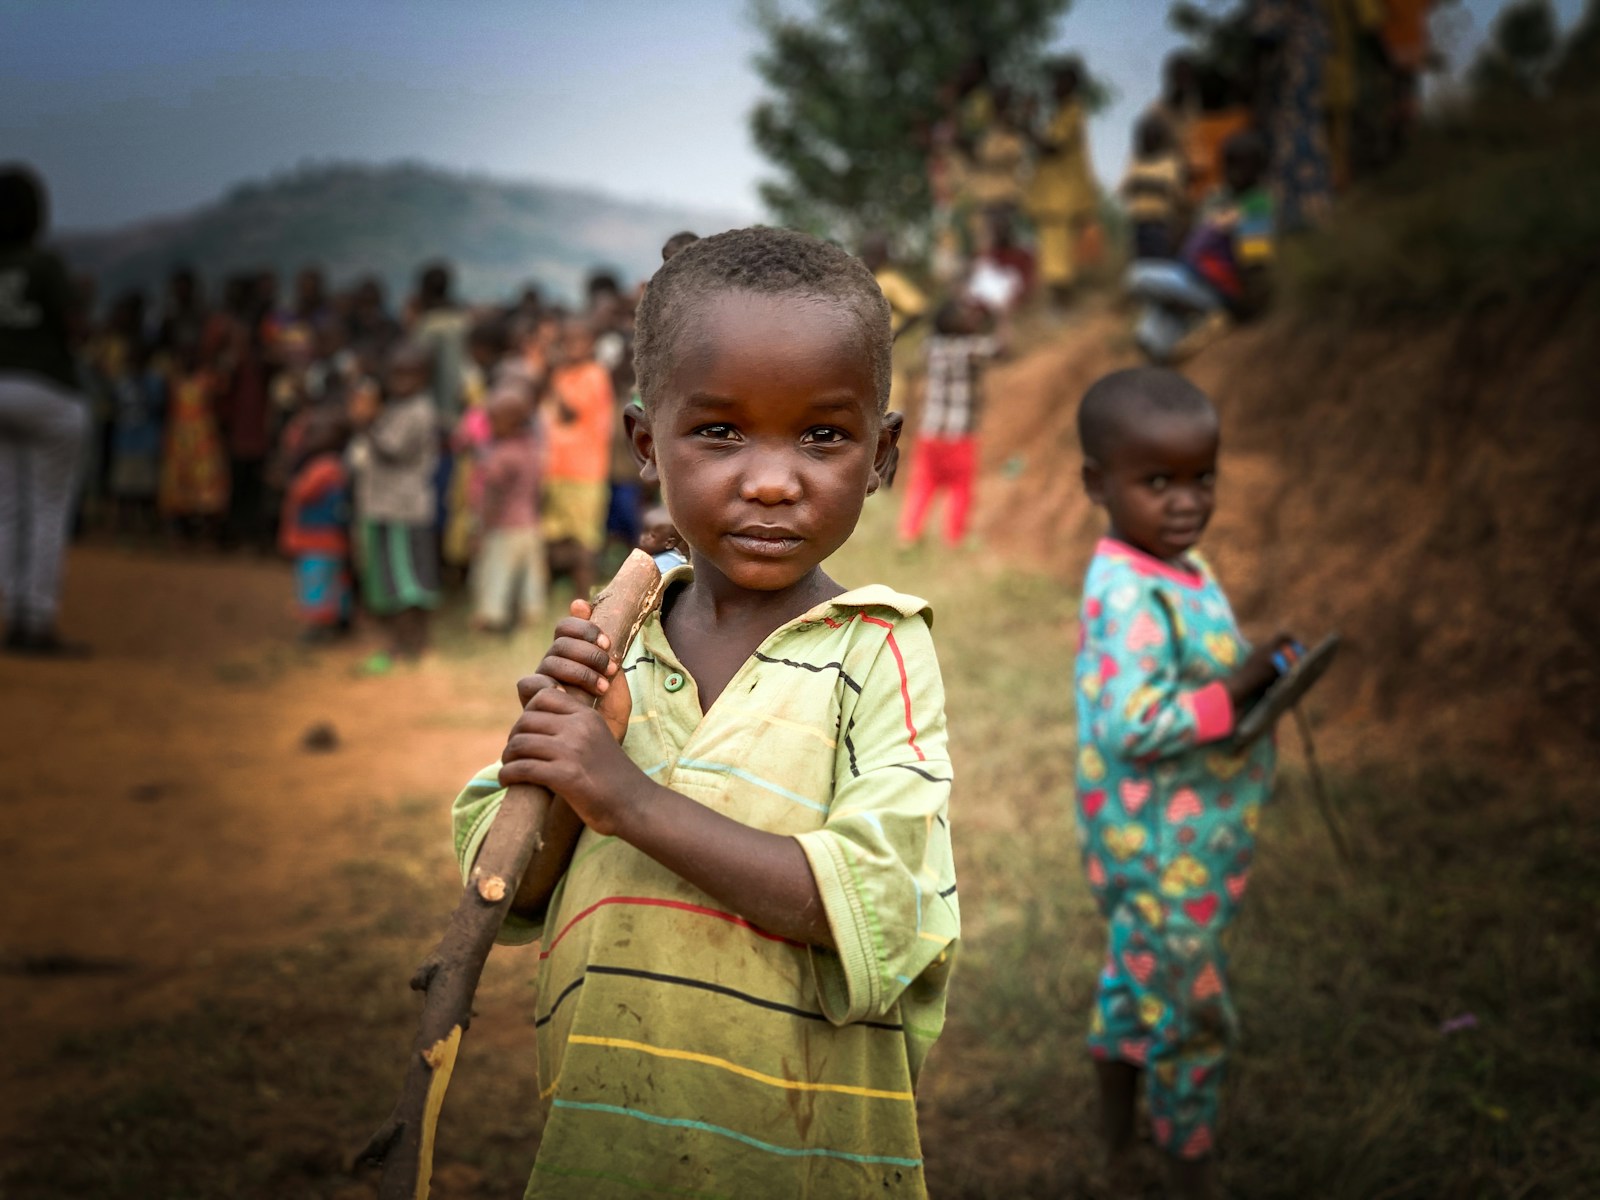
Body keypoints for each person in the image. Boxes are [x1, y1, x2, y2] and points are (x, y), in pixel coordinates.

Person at [450, 227, 956, 1196]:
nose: (771, 479)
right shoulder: (612, 636)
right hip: (605, 1152)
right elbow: (501, 889)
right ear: (647, 443)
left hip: (802, 1160)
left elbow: (876, 908)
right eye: (720, 432)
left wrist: (625, 797)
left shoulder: (878, 650)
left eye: (823, 435)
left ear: (882, 452)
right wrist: (567, 765)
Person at [1073, 367, 1297, 1200]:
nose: (1185, 502)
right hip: (1164, 845)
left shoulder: (1177, 565)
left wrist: (1258, 674)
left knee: (1137, 980)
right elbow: (1133, 724)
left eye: (1201, 478)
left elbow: (1195, 675)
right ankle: (1188, 1173)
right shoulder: (1131, 589)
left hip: (1173, 840)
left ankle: (1117, 1155)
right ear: (1099, 483)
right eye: (1157, 481)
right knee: (1190, 1012)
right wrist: (1236, 690)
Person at [0, 164, 89, 655]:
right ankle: (38, 619)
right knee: (48, 508)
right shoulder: (43, 264)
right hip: (47, 390)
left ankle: (13, 616)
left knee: (7, 508)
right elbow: (74, 328)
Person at [1126, 130, 1276, 364]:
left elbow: (1254, 265)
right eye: (1230, 165)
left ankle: (1204, 315)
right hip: (1194, 278)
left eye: (1242, 167)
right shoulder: (1222, 198)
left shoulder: (1255, 207)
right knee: (1149, 338)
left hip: (1215, 289)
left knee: (1137, 277)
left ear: (1258, 170)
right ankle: (1183, 328)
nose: (1234, 173)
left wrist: (1244, 307)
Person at [347, 339, 439, 668]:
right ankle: (406, 643)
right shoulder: (399, 408)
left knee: (406, 581)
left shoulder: (418, 411)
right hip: (389, 507)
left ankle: (409, 644)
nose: (400, 383)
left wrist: (366, 422)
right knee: (395, 578)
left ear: (424, 377)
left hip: (404, 508)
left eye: (408, 376)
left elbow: (392, 450)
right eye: (395, 375)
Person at [897, 294, 1006, 550]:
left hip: (930, 431)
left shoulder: (930, 347)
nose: (971, 318)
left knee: (923, 484)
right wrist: (1001, 316)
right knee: (960, 488)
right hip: (959, 434)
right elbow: (1001, 348)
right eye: (964, 315)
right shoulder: (970, 349)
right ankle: (953, 539)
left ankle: (909, 534)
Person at [540, 317, 614, 600]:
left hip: (585, 472)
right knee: (555, 537)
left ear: (591, 344)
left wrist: (550, 373)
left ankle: (584, 598)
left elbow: (570, 412)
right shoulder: (560, 374)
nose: (572, 347)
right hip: (555, 469)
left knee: (584, 540)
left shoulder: (594, 375)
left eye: (579, 341)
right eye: (566, 341)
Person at [469, 383, 545, 634]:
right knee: (528, 577)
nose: (489, 425)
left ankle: (492, 618)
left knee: (497, 574)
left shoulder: (501, 455)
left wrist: (483, 527)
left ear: (511, 422)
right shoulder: (532, 448)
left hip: (504, 526)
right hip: (530, 524)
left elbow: (492, 495)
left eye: (493, 420)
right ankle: (530, 614)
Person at [1027, 57, 1099, 308]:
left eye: (1058, 82)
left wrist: (1027, 123)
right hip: (1053, 194)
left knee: (1059, 251)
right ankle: (1062, 302)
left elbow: (1051, 147)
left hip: (1061, 195)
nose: (1053, 87)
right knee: (1056, 249)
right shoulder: (1059, 114)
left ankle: (1063, 304)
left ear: (1071, 84)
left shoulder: (1072, 111)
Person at [278, 407, 352, 642]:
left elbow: (300, 492)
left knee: (317, 583)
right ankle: (335, 622)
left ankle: (320, 626)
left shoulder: (324, 467)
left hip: (317, 539)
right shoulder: (335, 464)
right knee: (331, 581)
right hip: (327, 538)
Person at [1120, 113, 1190, 261]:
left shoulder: (1170, 162)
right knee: (1140, 264)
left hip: (1161, 225)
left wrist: (1143, 184)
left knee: (1159, 263)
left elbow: (1176, 193)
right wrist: (1153, 186)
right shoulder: (1135, 161)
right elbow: (1124, 189)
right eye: (1145, 136)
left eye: (1152, 136)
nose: (1148, 140)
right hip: (1137, 223)